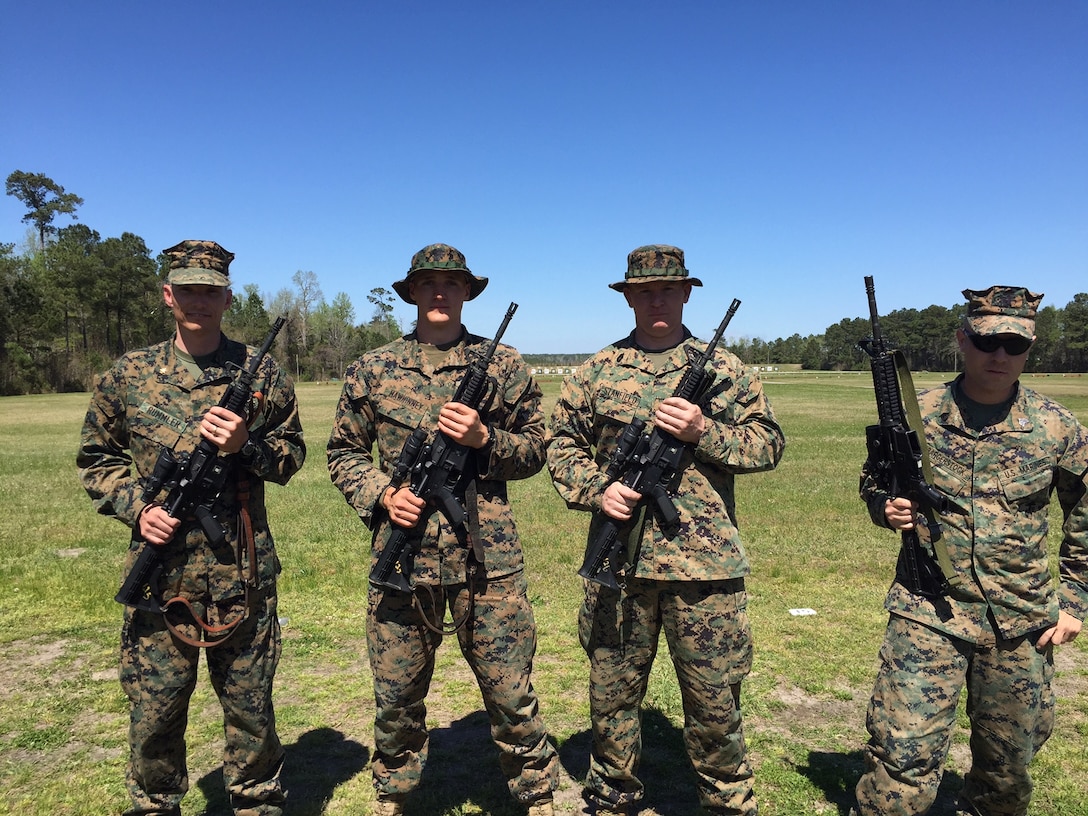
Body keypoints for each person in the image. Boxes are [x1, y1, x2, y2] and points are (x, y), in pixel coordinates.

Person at [546, 245, 785, 815]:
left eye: (668, 289)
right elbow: (560, 445)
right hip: (618, 562)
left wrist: (707, 432)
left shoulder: (725, 371)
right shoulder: (595, 371)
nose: (656, 299)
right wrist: (595, 488)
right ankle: (611, 796)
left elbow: (769, 444)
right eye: (644, 290)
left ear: (686, 293)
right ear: (628, 295)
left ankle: (726, 801)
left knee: (714, 700)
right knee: (611, 696)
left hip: (705, 567)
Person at [326, 243, 559, 816]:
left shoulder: (503, 365)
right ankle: (396, 797)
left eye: (451, 283)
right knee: (397, 697)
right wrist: (382, 493)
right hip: (403, 560)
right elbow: (342, 454)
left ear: (465, 293)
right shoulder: (373, 369)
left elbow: (536, 449)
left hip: (488, 564)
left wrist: (486, 441)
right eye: (428, 283)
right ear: (412, 293)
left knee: (511, 692)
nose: (439, 292)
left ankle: (536, 795)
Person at [77, 240, 306, 816]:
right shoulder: (128, 375)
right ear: (167, 294)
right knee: (155, 708)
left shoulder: (259, 372)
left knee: (250, 706)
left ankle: (256, 801)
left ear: (227, 297)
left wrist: (245, 444)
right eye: (187, 290)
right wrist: (137, 506)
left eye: (210, 290)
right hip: (161, 575)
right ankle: (155, 803)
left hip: (241, 571)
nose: (199, 300)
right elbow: (96, 462)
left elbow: (292, 456)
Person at [852, 285, 1087, 816]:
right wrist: (884, 505)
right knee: (899, 757)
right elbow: (874, 478)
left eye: (1015, 344)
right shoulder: (919, 412)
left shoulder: (1057, 427)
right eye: (987, 342)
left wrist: (1075, 600)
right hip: (928, 610)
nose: (1000, 355)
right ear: (962, 340)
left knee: (1007, 770)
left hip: (1021, 619)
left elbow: (1086, 512)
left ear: (1030, 348)